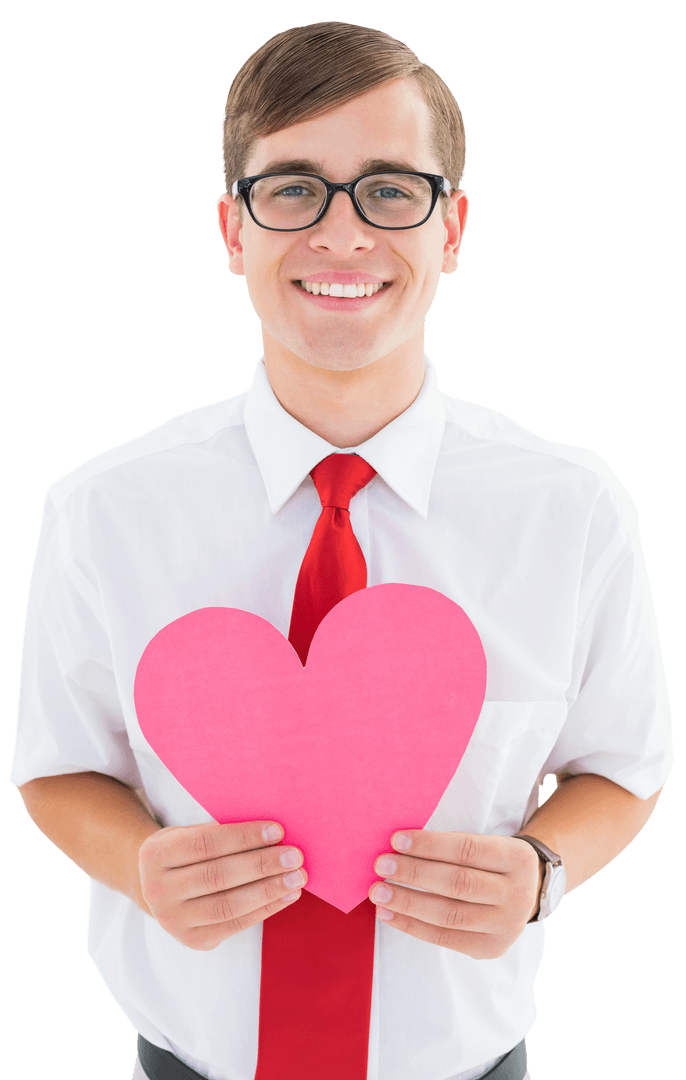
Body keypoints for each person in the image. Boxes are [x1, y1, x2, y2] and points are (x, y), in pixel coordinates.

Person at [10, 21, 672, 1080]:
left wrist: (542, 871)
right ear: (233, 231)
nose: (341, 234)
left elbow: (622, 766)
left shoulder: (572, 506)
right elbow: (58, 769)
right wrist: (140, 866)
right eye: (292, 191)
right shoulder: (103, 508)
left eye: (389, 190)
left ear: (450, 228)